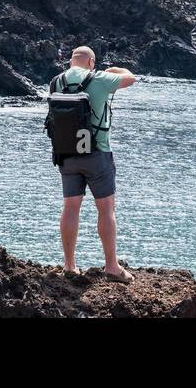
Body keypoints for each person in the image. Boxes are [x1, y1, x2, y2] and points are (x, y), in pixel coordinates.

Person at [54, 45, 137, 281]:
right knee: (106, 209)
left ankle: (69, 265)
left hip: (66, 153)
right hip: (97, 154)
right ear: (91, 62)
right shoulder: (99, 78)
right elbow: (130, 78)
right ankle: (111, 266)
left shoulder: (56, 81)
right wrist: (113, 70)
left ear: (70, 61)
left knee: (70, 207)